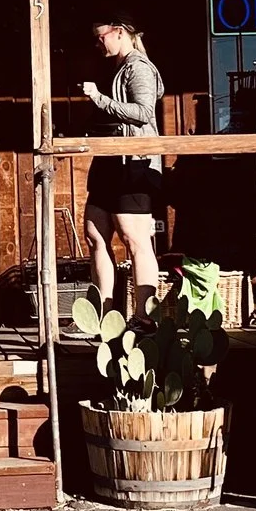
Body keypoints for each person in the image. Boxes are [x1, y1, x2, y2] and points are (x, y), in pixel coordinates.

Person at [79, 20, 165, 315]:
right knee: (94, 233)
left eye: (100, 36)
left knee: (134, 238)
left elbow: (143, 112)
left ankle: (144, 316)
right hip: (110, 159)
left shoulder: (138, 67)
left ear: (119, 32)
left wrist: (99, 99)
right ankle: (100, 315)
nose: (98, 43)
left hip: (134, 162)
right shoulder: (115, 66)